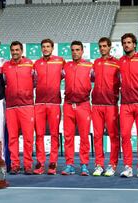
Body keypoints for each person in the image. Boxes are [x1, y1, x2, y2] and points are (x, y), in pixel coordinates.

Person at [119, 33, 138, 178]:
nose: (126, 45)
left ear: (134, 44)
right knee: (125, 135)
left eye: (129, 42)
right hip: (125, 105)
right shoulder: (120, 62)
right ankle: (128, 167)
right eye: (124, 43)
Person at [33, 39, 65, 175]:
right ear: (41, 49)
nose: (45, 49)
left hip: (54, 103)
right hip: (39, 103)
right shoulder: (36, 63)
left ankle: (53, 162)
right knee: (39, 134)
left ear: (52, 48)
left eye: (48, 46)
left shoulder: (60, 61)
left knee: (54, 134)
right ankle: (40, 162)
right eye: (43, 47)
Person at [61, 41, 93, 176]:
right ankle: (69, 165)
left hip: (84, 105)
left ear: (82, 51)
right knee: (68, 137)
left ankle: (84, 164)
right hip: (68, 104)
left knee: (84, 137)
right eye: (73, 50)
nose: (75, 52)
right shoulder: (66, 66)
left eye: (77, 50)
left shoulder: (90, 66)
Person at [2, 41, 35, 175]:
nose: (15, 52)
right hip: (11, 107)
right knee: (12, 138)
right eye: (13, 50)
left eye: (17, 50)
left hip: (26, 106)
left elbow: (35, 82)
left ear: (21, 51)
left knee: (28, 138)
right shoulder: (6, 66)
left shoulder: (30, 64)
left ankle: (28, 165)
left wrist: (26, 92)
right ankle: (15, 165)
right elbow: (4, 82)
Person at [91, 37, 120, 177]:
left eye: (105, 46)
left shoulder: (117, 64)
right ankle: (99, 165)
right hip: (96, 105)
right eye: (100, 46)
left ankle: (112, 165)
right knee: (97, 136)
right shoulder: (95, 63)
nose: (102, 48)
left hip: (111, 105)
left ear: (110, 47)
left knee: (113, 136)